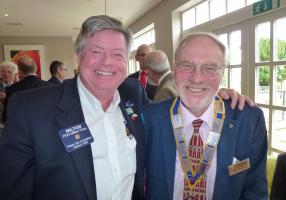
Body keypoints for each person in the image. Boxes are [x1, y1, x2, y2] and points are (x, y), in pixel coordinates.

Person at [0, 15, 149, 200]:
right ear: (77, 56)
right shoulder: (30, 109)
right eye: (96, 52)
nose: (107, 62)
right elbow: (13, 190)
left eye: (117, 54)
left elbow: (164, 119)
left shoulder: (133, 92)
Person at [143, 32, 268, 200]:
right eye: (187, 65)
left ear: (222, 72)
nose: (196, 78)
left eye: (209, 68)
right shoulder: (148, 119)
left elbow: (255, 192)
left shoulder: (249, 120)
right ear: (174, 67)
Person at [2, 56, 50, 123]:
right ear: (35, 68)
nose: (6, 74)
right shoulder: (50, 86)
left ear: (19, 71)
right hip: (46, 127)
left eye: (9, 72)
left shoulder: (12, 89)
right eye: (3, 72)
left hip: (21, 128)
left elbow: (8, 115)